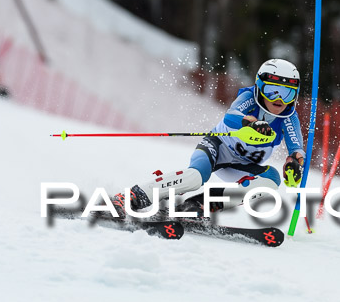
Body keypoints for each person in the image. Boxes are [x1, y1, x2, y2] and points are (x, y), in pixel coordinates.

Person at [111, 58, 306, 218]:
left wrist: (294, 165)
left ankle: (197, 205)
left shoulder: (289, 118)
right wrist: (251, 123)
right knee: (195, 177)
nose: (279, 100)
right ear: (260, 87)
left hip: (242, 165)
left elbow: (296, 152)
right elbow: (232, 115)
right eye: (272, 91)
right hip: (218, 148)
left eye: (287, 93)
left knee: (271, 180)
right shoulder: (249, 97)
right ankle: (132, 197)